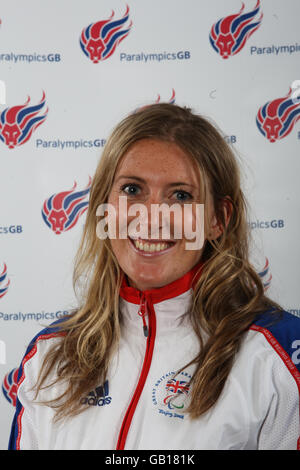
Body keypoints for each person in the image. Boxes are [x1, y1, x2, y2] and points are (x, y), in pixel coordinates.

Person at [9, 103, 300, 450]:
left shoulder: (276, 356)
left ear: (217, 219)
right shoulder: (50, 355)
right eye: (132, 190)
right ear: (104, 206)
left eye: (180, 195)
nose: (151, 217)